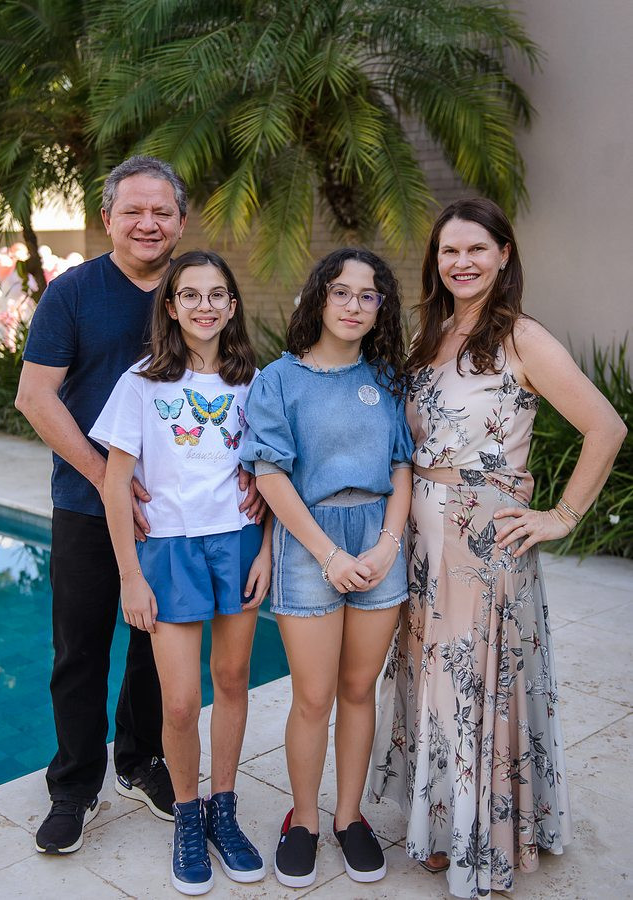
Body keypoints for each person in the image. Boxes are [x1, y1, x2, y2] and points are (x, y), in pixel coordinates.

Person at [369, 198, 627, 898]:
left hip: (483, 540)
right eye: (449, 251)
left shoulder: (521, 336)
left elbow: (605, 427)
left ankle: (482, 837)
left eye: (476, 249)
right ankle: (439, 823)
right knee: (434, 682)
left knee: (472, 687)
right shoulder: (430, 333)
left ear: (504, 254)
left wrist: (561, 515)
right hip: (421, 539)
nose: (462, 262)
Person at [14, 156, 261, 856]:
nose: (147, 223)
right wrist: (106, 479)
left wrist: (254, 476)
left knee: (159, 656)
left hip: (182, 520)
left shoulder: (194, 291)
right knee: (81, 647)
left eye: (161, 212)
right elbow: (35, 396)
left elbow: (238, 400)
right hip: (88, 502)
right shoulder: (73, 292)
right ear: (108, 219)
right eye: (133, 211)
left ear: (181, 222)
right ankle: (74, 785)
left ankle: (140, 760)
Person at [90, 250, 269, 894]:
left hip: (238, 543)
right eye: (190, 294)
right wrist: (130, 576)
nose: (204, 306)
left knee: (232, 679)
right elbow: (116, 486)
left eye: (217, 294)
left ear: (232, 304)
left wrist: (266, 549)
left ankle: (224, 809)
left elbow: (272, 474)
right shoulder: (141, 383)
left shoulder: (255, 382)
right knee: (181, 699)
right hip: (168, 550)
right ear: (170, 307)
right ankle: (187, 816)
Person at [240, 248, 414, 888]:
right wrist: (328, 554)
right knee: (313, 696)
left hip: (377, 541)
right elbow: (269, 473)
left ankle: (349, 817)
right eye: (341, 291)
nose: (354, 305)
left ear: (381, 307)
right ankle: (305, 821)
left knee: (358, 690)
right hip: (310, 542)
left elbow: (402, 464)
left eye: (368, 295)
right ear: (319, 297)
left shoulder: (387, 379)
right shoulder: (279, 379)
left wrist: (387, 545)